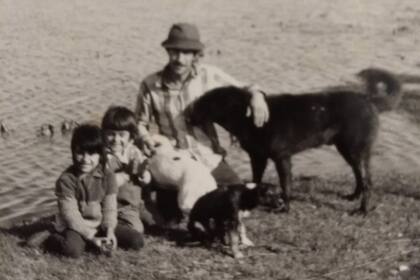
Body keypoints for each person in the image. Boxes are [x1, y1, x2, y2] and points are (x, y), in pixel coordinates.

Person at [134, 22, 270, 223]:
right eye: (174, 52)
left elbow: (244, 87)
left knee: (238, 200)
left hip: (208, 155)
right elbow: (140, 122)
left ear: (195, 54)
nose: (179, 59)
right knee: (173, 220)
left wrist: (257, 96)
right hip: (174, 162)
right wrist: (145, 137)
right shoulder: (150, 84)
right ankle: (166, 198)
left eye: (186, 53)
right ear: (167, 51)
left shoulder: (209, 75)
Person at [46, 124, 119, 258]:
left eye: (91, 154)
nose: (85, 159)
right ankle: (51, 238)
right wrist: (91, 237)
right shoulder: (66, 180)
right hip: (74, 226)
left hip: (98, 225)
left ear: (100, 155)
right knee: (72, 250)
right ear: (73, 152)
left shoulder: (108, 176)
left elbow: (110, 208)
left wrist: (109, 230)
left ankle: (94, 240)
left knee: (135, 240)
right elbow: (71, 215)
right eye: (80, 153)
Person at [101, 106, 157, 237]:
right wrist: (126, 175)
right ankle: (112, 225)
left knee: (156, 223)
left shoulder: (134, 152)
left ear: (131, 137)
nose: (116, 139)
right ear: (103, 134)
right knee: (137, 230)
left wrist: (143, 174)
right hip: (116, 205)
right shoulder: (102, 156)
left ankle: (135, 215)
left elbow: (145, 181)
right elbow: (104, 184)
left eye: (121, 135)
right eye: (111, 134)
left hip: (135, 202)